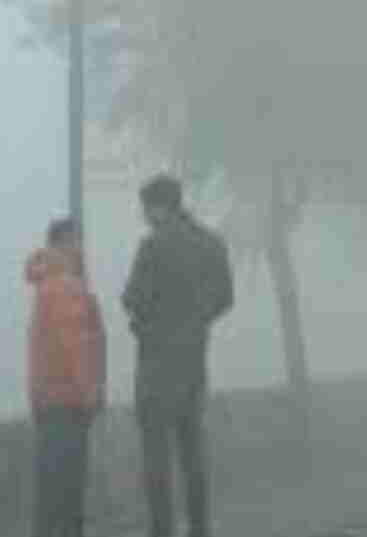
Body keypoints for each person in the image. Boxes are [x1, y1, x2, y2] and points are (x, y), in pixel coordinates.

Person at [122, 175, 233, 537]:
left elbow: (132, 298)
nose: (144, 216)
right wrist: (196, 322)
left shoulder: (153, 246)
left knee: (157, 457)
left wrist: (152, 323)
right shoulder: (212, 244)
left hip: (156, 365)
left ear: (159, 207)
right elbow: (225, 298)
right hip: (194, 362)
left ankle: (162, 530)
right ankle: (199, 527)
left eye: (145, 209)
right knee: (192, 452)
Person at [26, 217, 106, 537]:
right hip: (69, 400)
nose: (81, 248)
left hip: (48, 399)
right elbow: (77, 345)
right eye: (77, 241)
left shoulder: (46, 285)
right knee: (69, 489)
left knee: (49, 487)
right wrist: (91, 393)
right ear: (64, 242)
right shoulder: (66, 286)